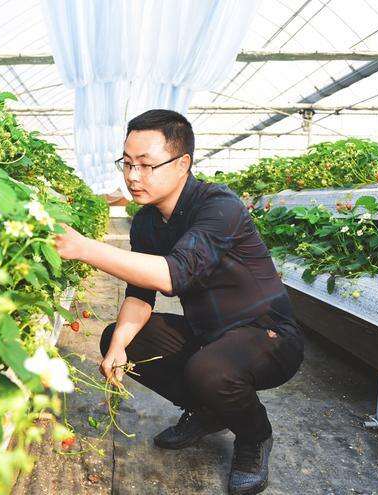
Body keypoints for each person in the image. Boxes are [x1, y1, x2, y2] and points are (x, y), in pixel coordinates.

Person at [54, 109, 304, 495]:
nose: (133, 176)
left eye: (146, 164)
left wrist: (85, 248)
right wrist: (118, 346)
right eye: (127, 163)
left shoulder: (219, 206)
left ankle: (255, 435)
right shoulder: (146, 222)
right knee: (119, 339)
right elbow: (141, 292)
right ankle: (209, 412)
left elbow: (174, 274)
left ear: (182, 163)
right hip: (210, 334)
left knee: (210, 370)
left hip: (268, 335)